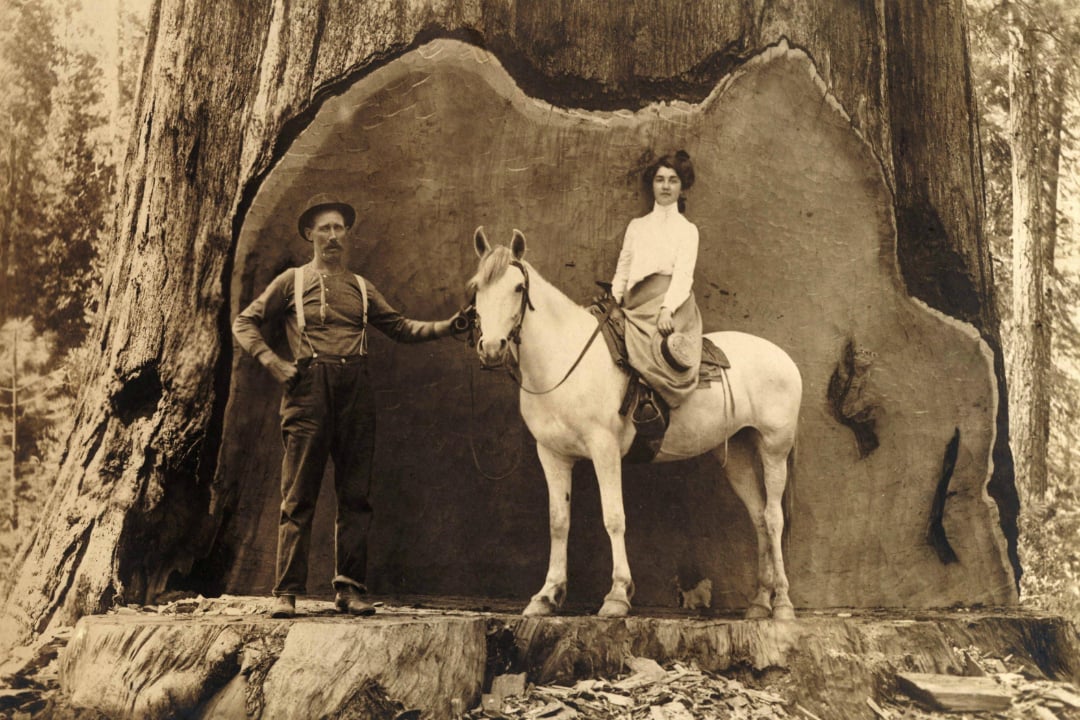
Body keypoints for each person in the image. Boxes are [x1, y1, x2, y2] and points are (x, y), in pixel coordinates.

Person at [233, 193, 463, 619]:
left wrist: (449, 326)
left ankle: (350, 590)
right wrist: (273, 362)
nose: (333, 236)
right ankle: (286, 592)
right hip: (308, 390)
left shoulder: (361, 287)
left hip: (355, 389)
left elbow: (401, 327)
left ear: (347, 234)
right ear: (310, 235)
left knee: (356, 495)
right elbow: (244, 322)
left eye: (339, 228)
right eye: (325, 229)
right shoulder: (292, 282)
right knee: (298, 494)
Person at [610, 150, 703, 411]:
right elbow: (624, 267)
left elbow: (683, 276)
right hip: (634, 304)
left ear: (682, 186)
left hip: (670, 303)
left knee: (657, 348)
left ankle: (651, 410)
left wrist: (667, 309)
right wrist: (615, 300)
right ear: (652, 184)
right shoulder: (637, 226)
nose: (665, 186)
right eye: (660, 179)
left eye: (673, 180)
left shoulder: (687, 230)